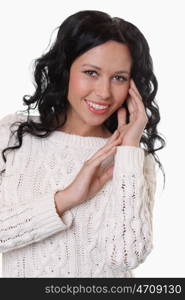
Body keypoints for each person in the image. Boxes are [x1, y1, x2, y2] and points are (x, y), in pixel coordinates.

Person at [0, 10, 166, 278]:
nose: (103, 92)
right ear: (65, 70)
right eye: (91, 72)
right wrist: (66, 198)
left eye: (119, 78)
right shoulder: (12, 135)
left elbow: (126, 256)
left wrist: (129, 148)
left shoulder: (134, 156)